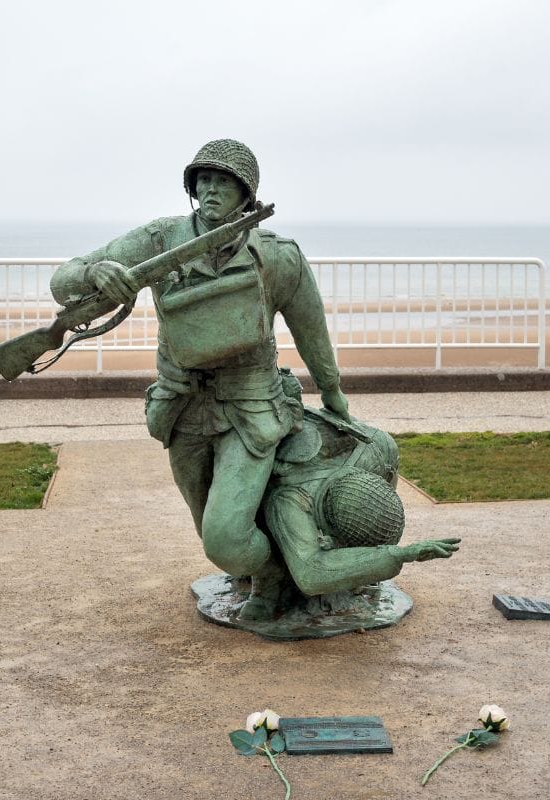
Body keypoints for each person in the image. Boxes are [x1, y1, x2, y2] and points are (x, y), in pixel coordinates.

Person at [50, 139, 350, 581]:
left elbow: (311, 331)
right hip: (181, 407)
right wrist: (95, 273)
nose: (211, 190)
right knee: (206, 528)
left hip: (250, 408)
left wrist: (332, 392)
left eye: (223, 182)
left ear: (246, 195)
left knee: (225, 540)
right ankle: (273, 572)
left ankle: (279, 580)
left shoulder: (278, 255)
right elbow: (64, 281)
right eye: (204, 180)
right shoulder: (160, 239)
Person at [241, 409, 461, 620]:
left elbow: (384, 487)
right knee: (246, 530)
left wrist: (369, 563)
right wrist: (398, 555)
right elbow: (310, 574)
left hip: (324, 451)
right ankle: (267, 582)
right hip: (254, 456)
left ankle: (352, 570)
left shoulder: (379, 449)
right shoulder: (289, 501)